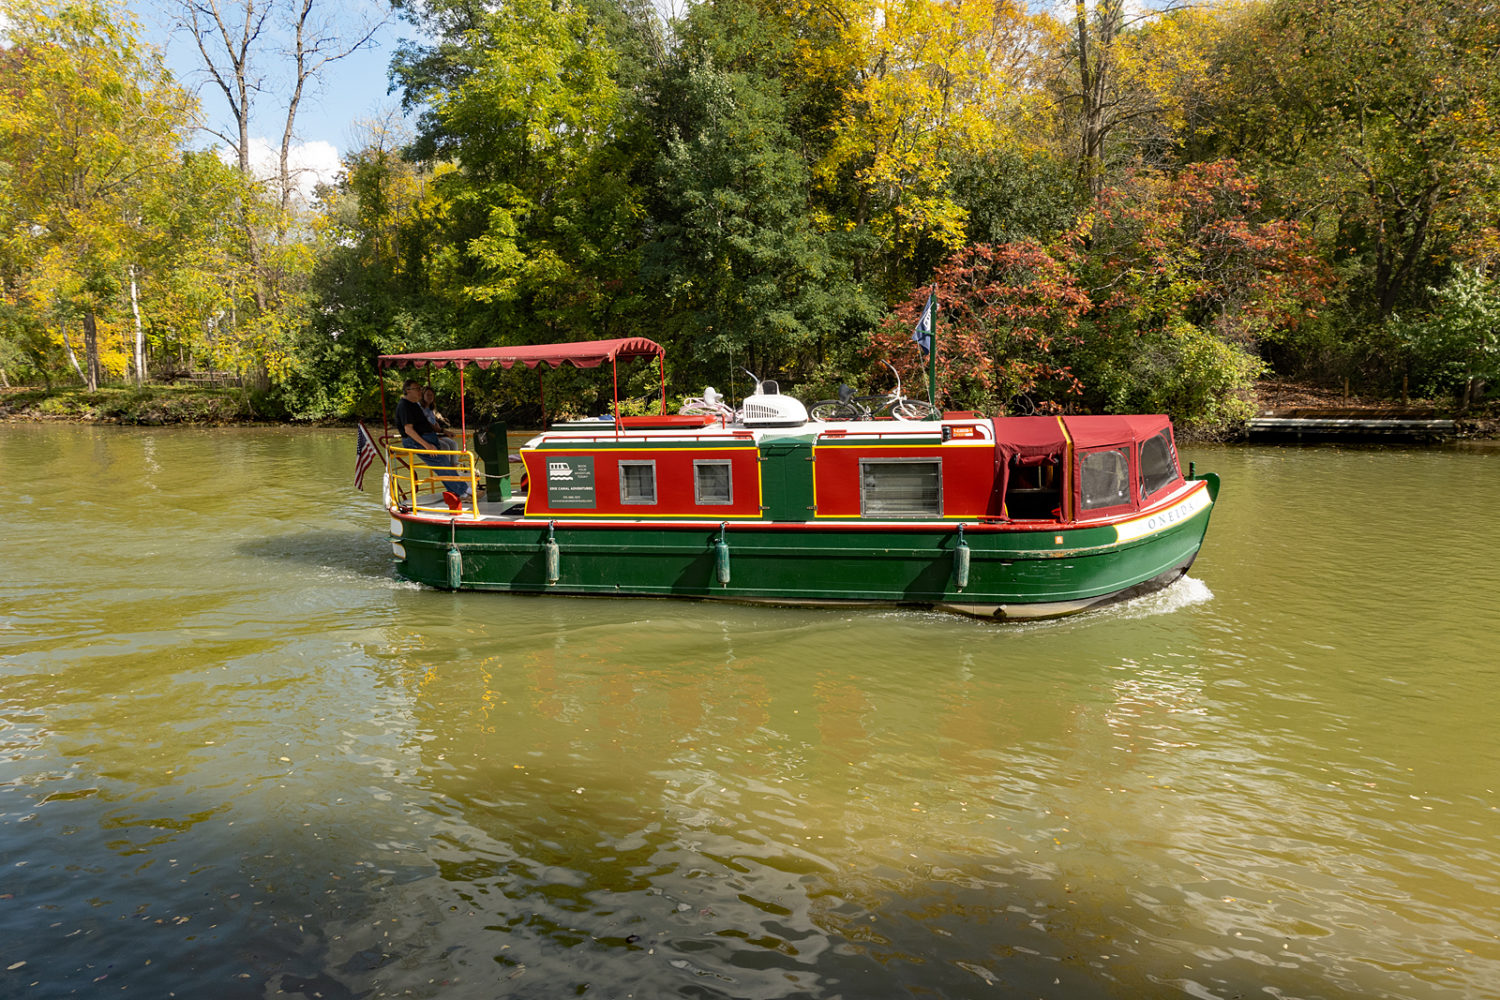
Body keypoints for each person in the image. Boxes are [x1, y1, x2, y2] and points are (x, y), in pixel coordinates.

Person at [395, 379, 469, 503]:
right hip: (417, 442)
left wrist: (443, 432)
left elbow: (427, 424)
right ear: (408, 391)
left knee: (444, 464)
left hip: (428, 438)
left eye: (419, 388)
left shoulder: (414, 405)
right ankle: (464, 493)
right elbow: (408, 430)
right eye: (417, 389)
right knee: (442, 465)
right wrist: (427, 445)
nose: (420, 391)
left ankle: (461, 491)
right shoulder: (404, 406)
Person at [421, 387, 461, 451]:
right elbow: (429, 425)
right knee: (445, 446)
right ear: (422, 396)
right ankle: (445, 461)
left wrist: (437, 426)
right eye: (428, 395)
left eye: (431, 395)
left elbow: (434, 424)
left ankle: (454, 461)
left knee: (453, 444)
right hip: (426, 436)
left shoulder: (431, 409)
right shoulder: (420, 409)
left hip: (434, 434)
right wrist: (442, 430)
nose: (430, 397)